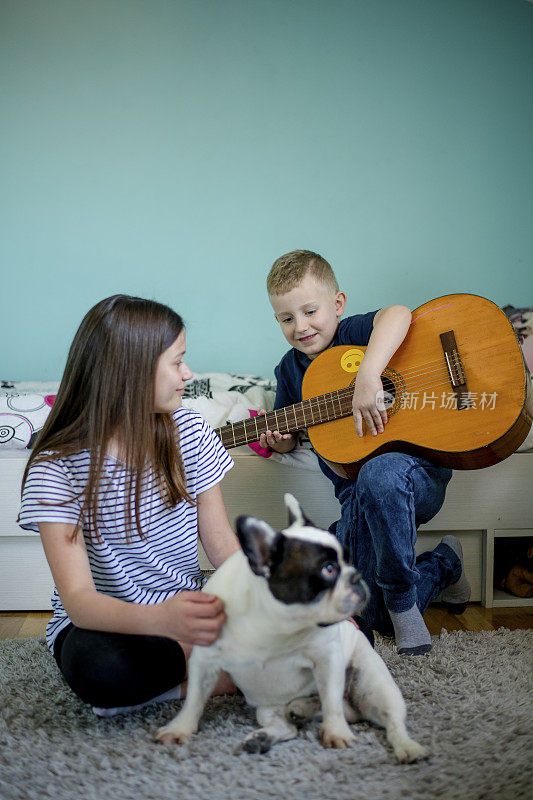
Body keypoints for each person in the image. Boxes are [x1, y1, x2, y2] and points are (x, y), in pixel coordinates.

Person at [19, 295, 240, 716]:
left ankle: (191, 676)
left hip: (185, 614)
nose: (188, 374)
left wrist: (277, 600)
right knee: (101, 670)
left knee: (297, 625)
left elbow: (221, 544)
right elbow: (80, 601)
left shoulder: (190, 432)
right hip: (105, 623)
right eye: (177, 362)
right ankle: (234, 674)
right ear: (132, 372)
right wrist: (161, 621)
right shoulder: (57, 468)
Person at [259, 250, 471, 655]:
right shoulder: (289, 371)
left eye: (310, 311)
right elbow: (290, 431)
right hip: (355, 496)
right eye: (287, 318)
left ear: (338, 305)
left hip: (415, 476)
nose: (300, 327)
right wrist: (280, 440)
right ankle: (445, 563)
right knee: (372, 619)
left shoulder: (352, 332)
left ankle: (400, 599)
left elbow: (398, 314)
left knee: (380, 471)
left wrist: (369, 375)